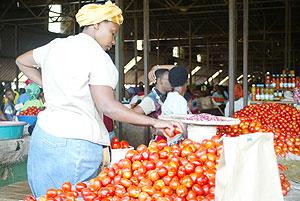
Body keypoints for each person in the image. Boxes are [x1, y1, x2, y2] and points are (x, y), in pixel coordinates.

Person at [15, 1, 182, 198]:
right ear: (96, 25)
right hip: (77, 144)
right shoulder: (98, 56)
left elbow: (21, 61)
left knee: (45, 196)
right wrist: (155, 122)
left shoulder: (56, 45)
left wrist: (49, 84)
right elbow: (108, 107)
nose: (113, 40)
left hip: (44, 137)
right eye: (112, 32)